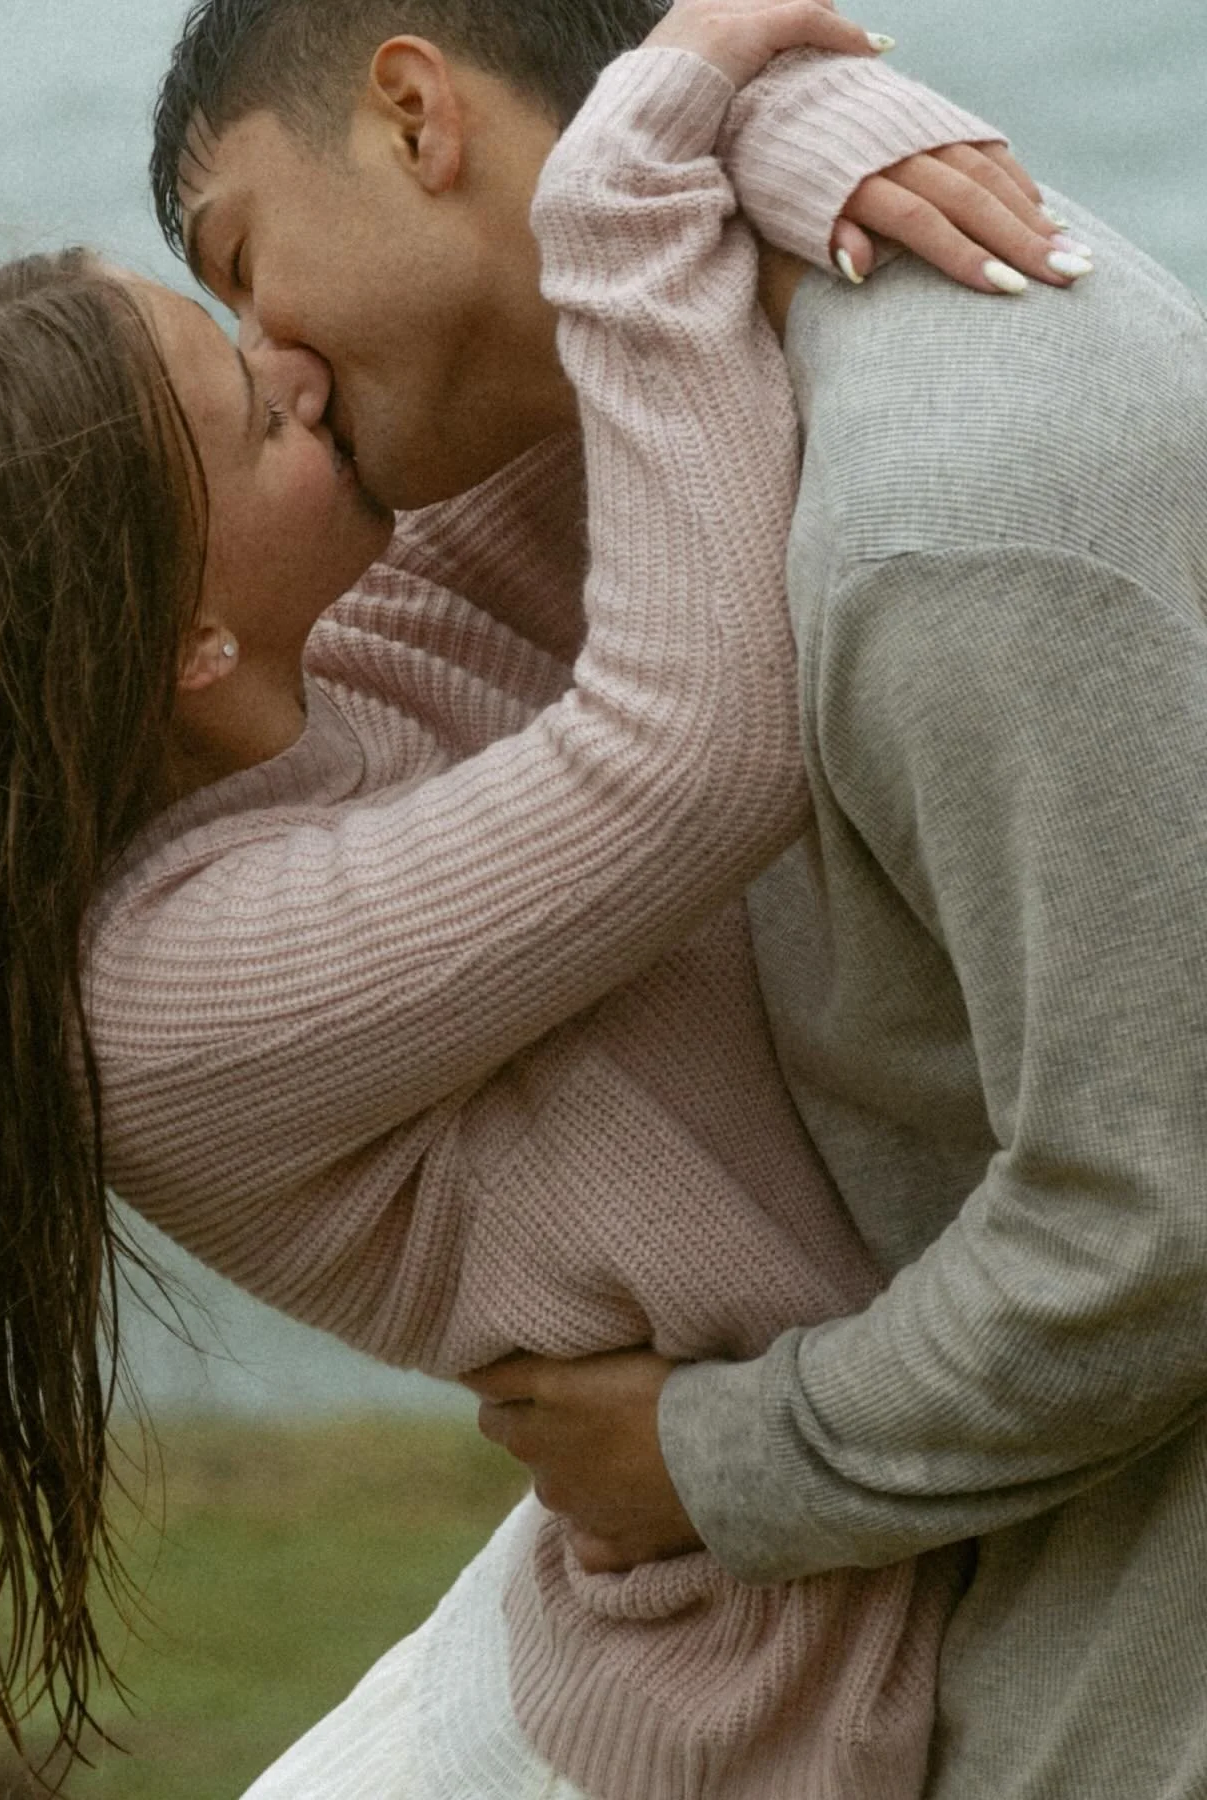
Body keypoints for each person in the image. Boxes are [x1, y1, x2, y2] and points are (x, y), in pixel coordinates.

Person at [0, 8, 1034, 1796]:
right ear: (186, 637)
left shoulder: (305, 666)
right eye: (238, 405)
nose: (290, 361)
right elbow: (688, 753)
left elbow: (552, 337)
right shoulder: (164, 996)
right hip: (731, 1715)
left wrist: (825, 132)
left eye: (233, 313)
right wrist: (649, 134)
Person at [145, 0, 1207, 1797]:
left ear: (416, 116)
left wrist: (719, 1457)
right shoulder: (688, 409)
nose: (285, 364)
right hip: (903, 1611)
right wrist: (764, 122)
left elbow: (1156, 1219)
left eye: (247, 266)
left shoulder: (947, 526)